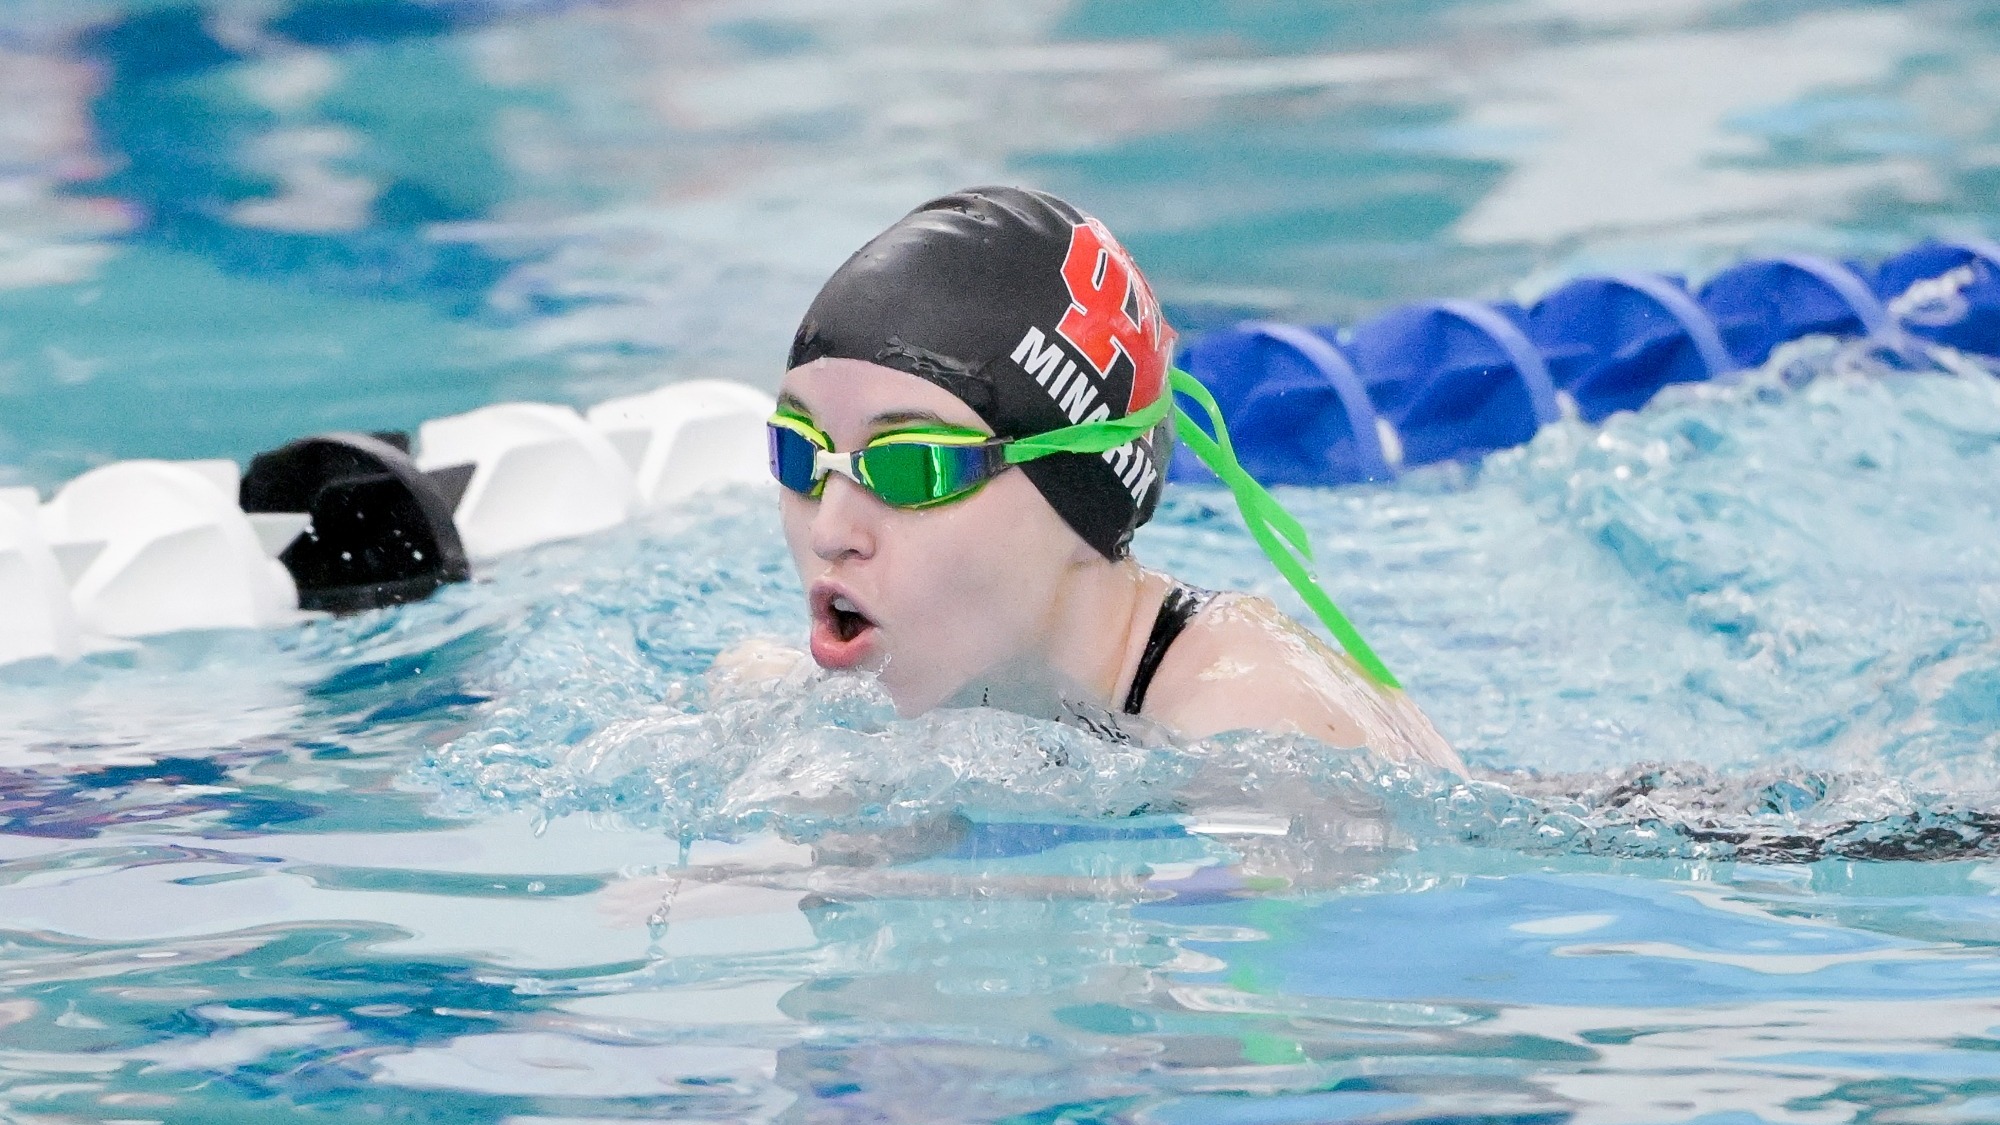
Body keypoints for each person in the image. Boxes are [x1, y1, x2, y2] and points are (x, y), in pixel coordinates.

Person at [736, 186, 1460, 771]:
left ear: (1078, 491)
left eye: (910, 466)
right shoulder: (810, 702)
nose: (831, 530)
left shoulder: (1264, 734)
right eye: (802, 455)